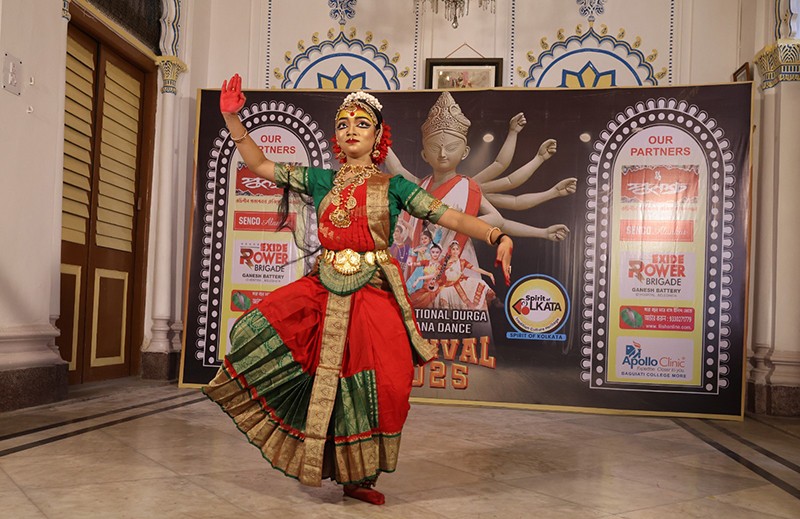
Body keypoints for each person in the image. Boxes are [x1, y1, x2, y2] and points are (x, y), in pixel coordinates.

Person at [202, 74, 514, 506]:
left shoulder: (395, 186)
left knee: (381, 382)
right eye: (344, 122)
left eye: (361, 122)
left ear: (378, 136)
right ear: (337, 136)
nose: (351, 129)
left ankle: (358, 476)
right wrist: (232, 117)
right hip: (322, 287)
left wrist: (496, 236)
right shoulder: (320, 180)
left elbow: (453, 218)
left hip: (372, 290)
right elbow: (260, 165)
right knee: (275, 343)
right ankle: (313, 455)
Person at [385, 91, 575, 290]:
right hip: (418, 269)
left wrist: (459, 224)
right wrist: (377, 136)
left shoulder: (469, 187)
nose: (442, 154)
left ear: (465, 152)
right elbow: (397, 169)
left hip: (456, 268)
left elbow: (505, 206)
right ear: (424, 154)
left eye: (451, 147)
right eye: (434, 148)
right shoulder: (417, 188)